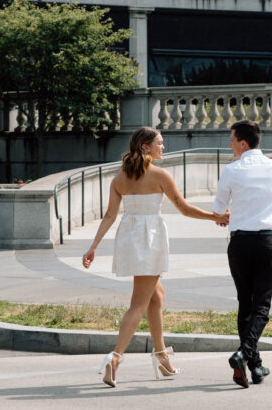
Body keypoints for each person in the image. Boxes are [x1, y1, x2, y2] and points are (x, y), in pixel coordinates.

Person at [82, 126, 229, 388]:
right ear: (145, 147)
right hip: (149, 239)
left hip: (129, 237)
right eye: (159, 143)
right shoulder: (160, 175)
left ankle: (161, 356)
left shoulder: (119, 178)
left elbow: (109, 216)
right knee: (138, 303)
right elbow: (183, 208)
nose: (164, 147)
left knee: (157, 296)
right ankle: (114, 358)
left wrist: (93, 246)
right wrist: (215, 216)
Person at [213, 119, 272, 388]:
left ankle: (255, 365)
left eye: (231, 140)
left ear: (243, 143)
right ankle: (246, 356)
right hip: (266, 241)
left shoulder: (231, 170)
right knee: (261, 305)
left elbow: (219, 211)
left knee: (245, 302)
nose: (229, 145)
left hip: (239, 243)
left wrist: (227, 216)